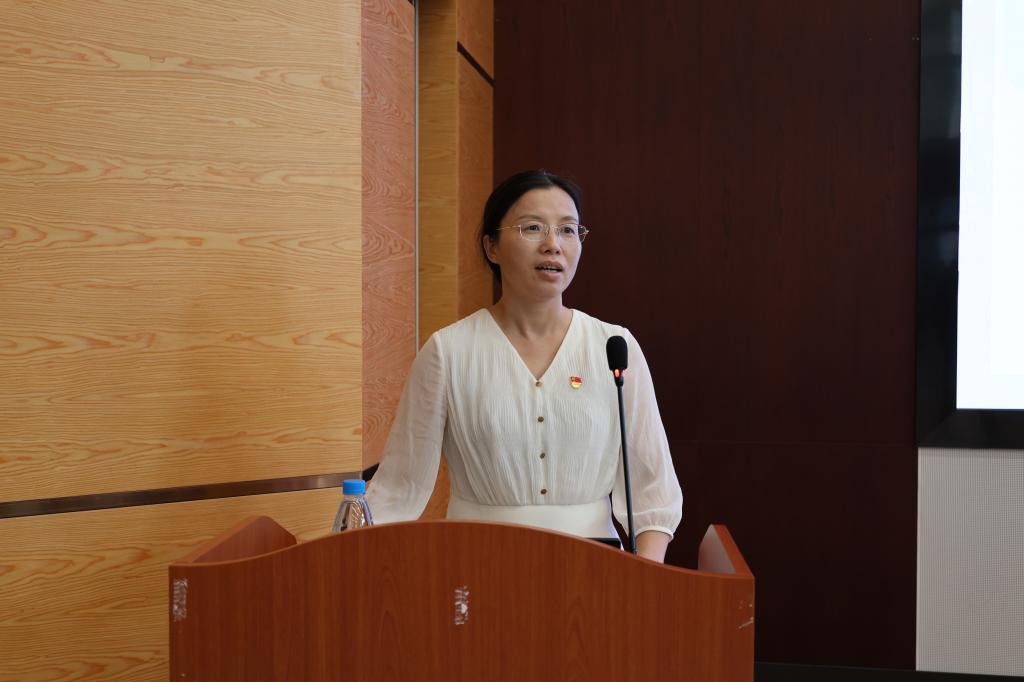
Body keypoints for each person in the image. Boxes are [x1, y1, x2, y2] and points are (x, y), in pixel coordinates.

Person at [365, 170, 682, 563]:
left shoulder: (614, 347)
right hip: (477, 564)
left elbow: (653, 489)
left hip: (598, 571)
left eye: (568, 230)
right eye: (533, 228)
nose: (553, 245)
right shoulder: (448, 351)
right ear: (492, 247)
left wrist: (646, 578)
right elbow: (399, 487)